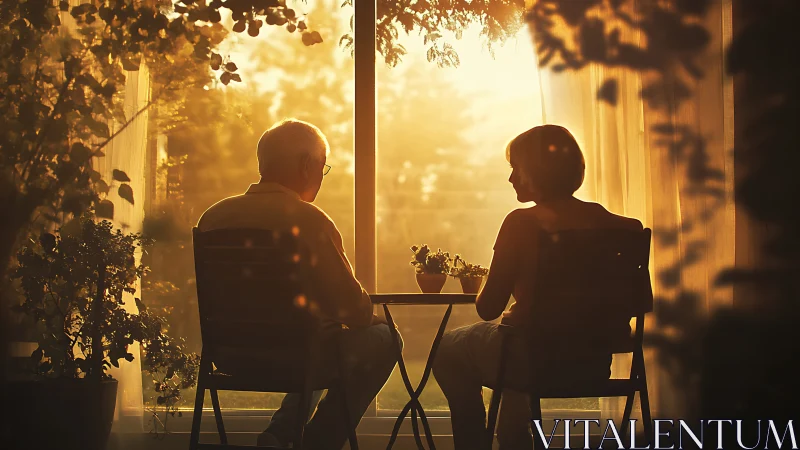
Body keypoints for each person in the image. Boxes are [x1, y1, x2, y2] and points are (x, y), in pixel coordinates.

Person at [432, 125, 643, 449]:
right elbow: (637, 302)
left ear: (538, 171)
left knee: (449, 349)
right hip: (591, 364)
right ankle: (513, 436)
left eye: (517, 168)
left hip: (531, 359)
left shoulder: (521, 224)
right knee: (518, 345)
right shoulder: (623, 229)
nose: (511, 178)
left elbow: (488, 308)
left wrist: (491, 275)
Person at [197, 119, 399, 449]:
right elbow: (353, 309)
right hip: (296, 358)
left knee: (313, 335)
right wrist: (369, 316)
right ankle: (315, 442)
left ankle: (280, 435)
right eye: (322, 166)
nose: (321, 175)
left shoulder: (212, 218)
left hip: (229, 357)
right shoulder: (308, 221)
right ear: (307, 165)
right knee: (385, 338)